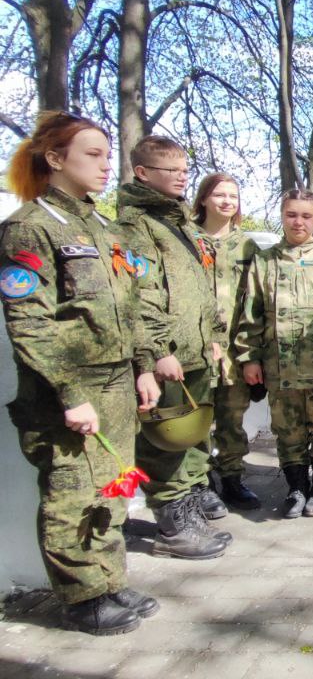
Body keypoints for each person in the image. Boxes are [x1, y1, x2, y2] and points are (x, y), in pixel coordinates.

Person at [1, 111, 162, 634]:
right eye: (92, 153)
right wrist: (70, 394)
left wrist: (143, 367)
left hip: (117, 385)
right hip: (68, 392)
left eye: (106, 154)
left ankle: (109, 580)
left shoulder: (102, 226)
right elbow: (29, 324)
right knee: (73, 496)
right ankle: (82, 597)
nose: (103, 164)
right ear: (55, 159)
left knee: (115, 489)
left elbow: (130, 305)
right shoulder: (30, 228)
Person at [115, 135, 229, 560]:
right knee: (164, 442)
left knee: (194, 436)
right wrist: (156, 351)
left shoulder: (181, 224)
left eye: (185, 170)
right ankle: (172, 526)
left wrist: (215, 339)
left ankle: (191, 504)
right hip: (168, 356)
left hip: (196, 352)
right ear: (143, 174)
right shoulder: (135, 227)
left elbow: (202, 289)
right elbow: (139, 294)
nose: (182, 177)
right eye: (171, 170)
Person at [235, 189, 313, 519]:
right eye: (291, 215)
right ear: (282, 216)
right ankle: (296, 489)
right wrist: (250, 357)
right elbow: (252, 312)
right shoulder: (266, 261)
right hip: (280, 367)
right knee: (287, 430)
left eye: (306, 215)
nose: (298, 222)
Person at [193, 172, 261, 511]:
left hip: (235, 348)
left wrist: (251, 352)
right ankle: (201, 484)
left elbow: (255, 301)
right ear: (204, 198)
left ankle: (232, 478)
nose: (226, 201)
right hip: (196, 347)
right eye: (219, 194)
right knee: (198, 418)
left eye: (232, 196)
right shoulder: (186, 238)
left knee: (232, 417)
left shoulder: (245, 245)